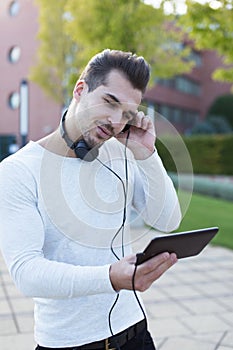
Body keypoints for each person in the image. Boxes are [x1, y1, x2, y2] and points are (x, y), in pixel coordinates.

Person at [0, 49, 181, 350]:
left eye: (126, 113)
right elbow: (27, 273)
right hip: (68, 343)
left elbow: (167, 220)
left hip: (134, 332)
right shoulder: (18, 171)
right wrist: (110, 277)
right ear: (80, 90)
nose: (114, 121)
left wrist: (147, 154)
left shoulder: (122, 155)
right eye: (109, 101)